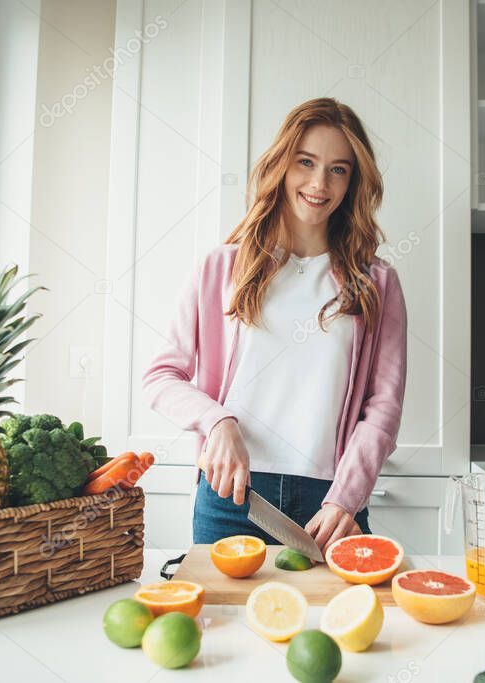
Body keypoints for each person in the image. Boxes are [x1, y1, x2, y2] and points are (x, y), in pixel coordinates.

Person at [142, 97, 407, 553]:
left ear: (353, 182)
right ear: (282, 165)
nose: (319, 183)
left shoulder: (376, 282)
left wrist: (348, 497)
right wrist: (217, 420)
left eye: (338, 169)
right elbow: (161, 377)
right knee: (224, 623)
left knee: (332, 624)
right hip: (232, 497)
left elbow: (383, 406)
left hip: (333, 505)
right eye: (306, 162)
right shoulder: (221, 268)